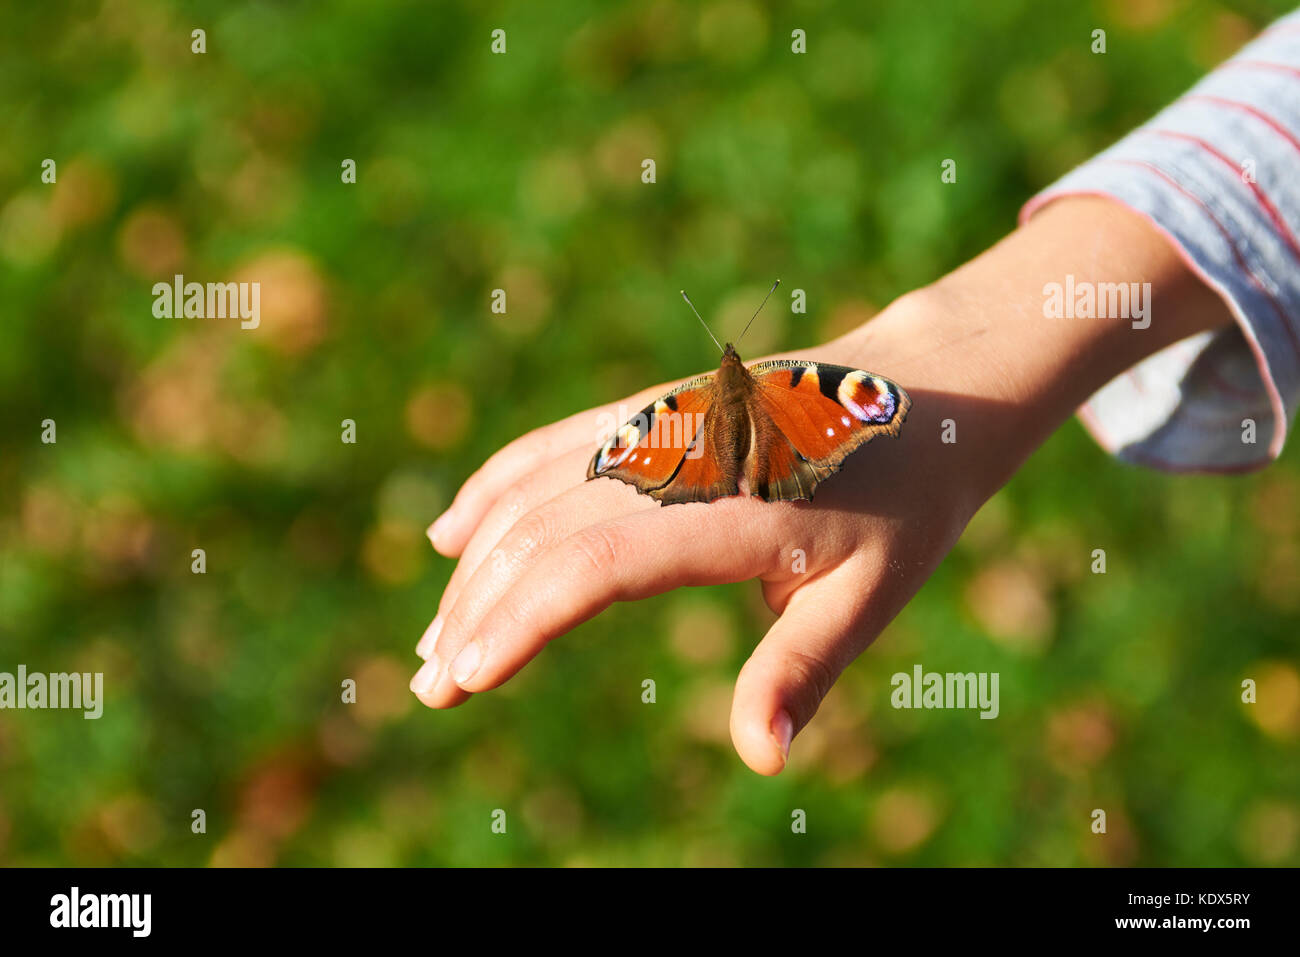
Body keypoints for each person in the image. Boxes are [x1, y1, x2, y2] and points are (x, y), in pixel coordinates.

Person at [410, 10, 1300, 775]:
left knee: (713, 440)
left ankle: (723, 466)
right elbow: (860, 398)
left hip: (728, 448)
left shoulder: (702, 412)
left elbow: (873, 400)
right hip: (787, 448)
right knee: (770, 429)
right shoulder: (787, 389)